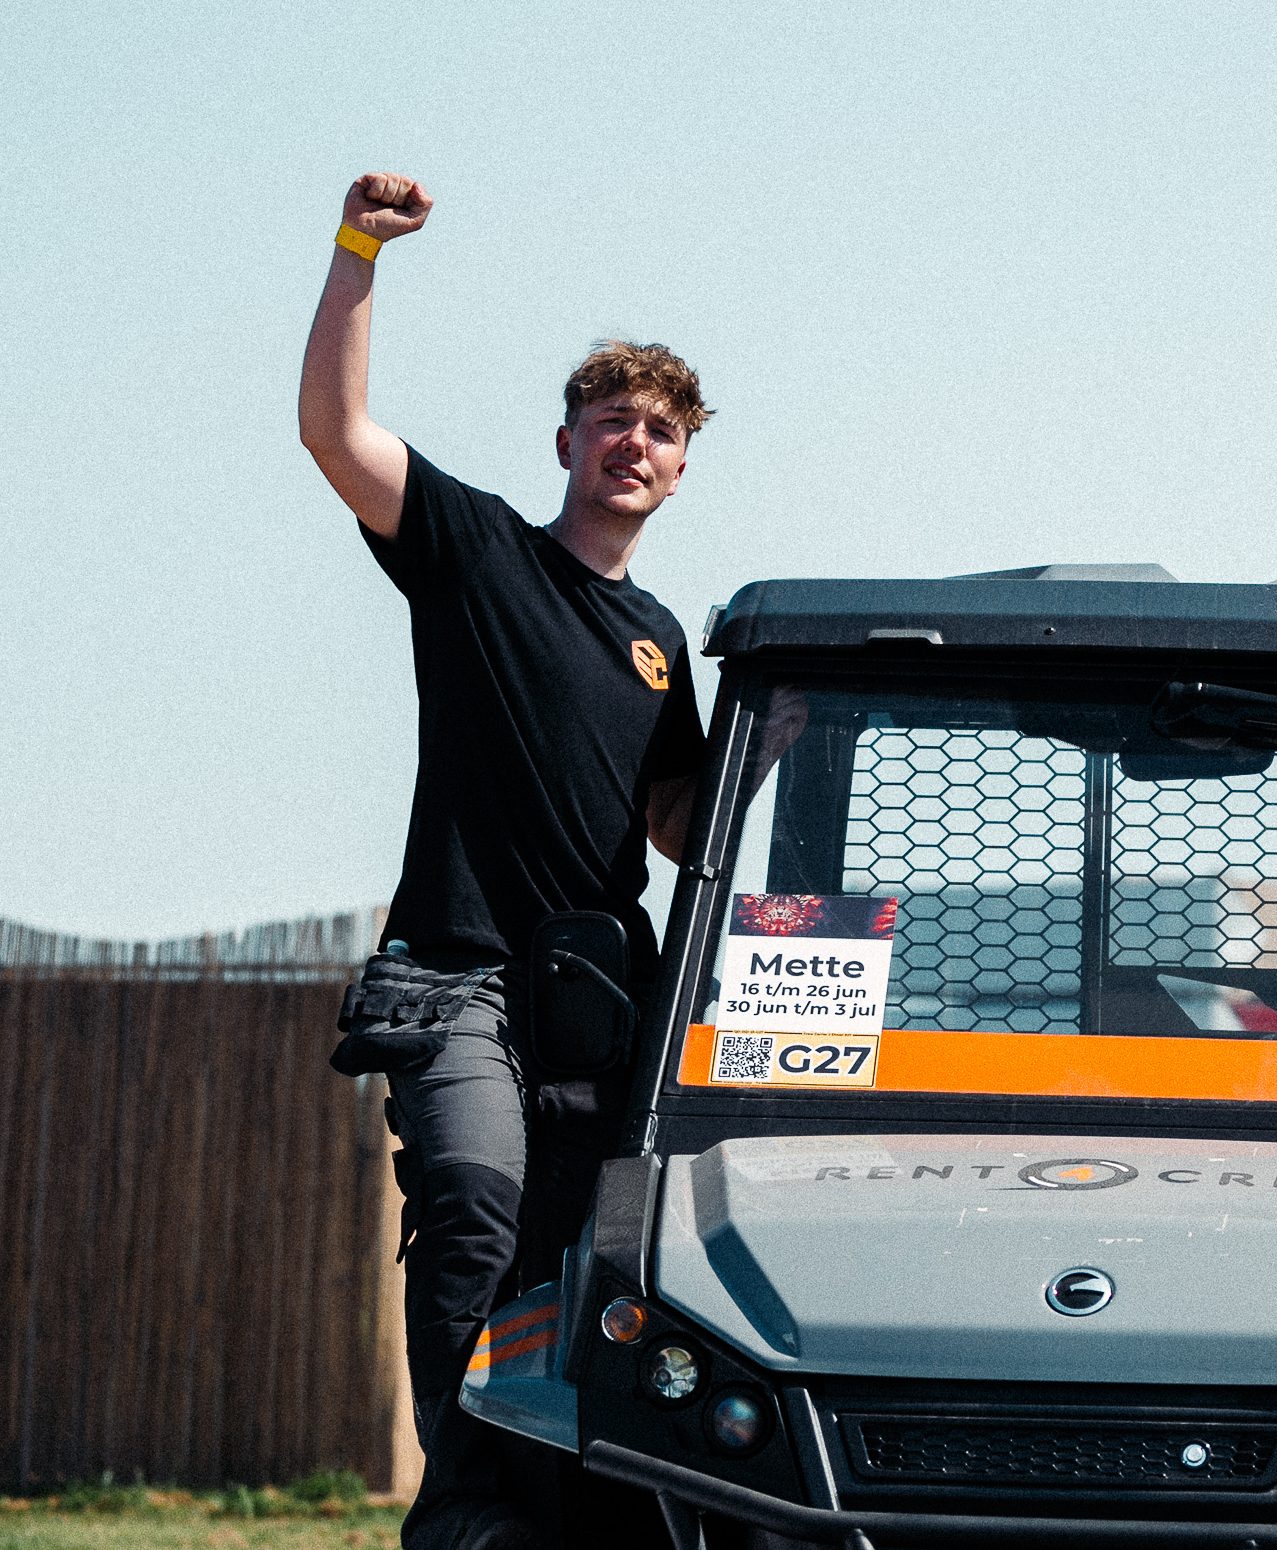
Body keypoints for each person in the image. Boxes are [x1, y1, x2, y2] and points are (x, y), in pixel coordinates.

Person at [300, 172, 710, 1550]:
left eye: (660, 430)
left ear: (681, 467)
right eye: (614, 420)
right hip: (459, 975)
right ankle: (465, 1505)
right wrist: (358, 252)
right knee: (477, 1194)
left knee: (604, 1249)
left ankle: (580, 1509)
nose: (635, 442)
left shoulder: (662, 643)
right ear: (567, 442)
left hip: (597, 1001)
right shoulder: (481, 554)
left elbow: (673, 824)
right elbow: (335, 432)